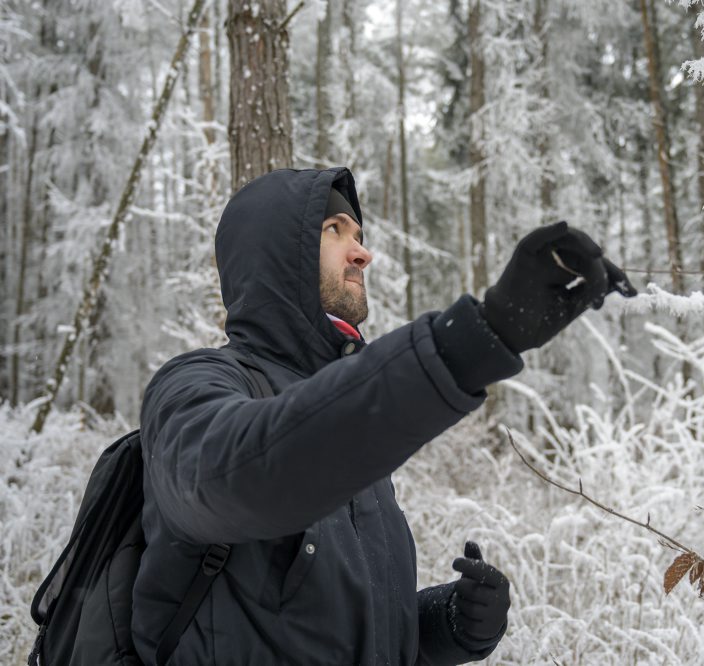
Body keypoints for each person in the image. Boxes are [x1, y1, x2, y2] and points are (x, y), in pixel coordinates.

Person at [133, 167, 636, 664]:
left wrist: (448, 626)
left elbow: (328, 628)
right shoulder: (193, 385)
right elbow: (239, 477)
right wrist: (474, 340)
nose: (363, 252)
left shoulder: (347, 420)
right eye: (334, 231)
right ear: (277, 255)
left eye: (359, 234)